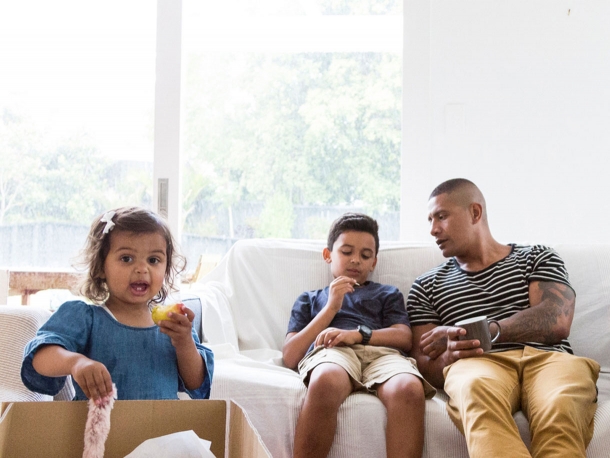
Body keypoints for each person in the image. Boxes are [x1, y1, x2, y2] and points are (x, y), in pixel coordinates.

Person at [406, 178, 600, 458]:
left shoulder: (536, 256)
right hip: (476, 365)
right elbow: (423, 363)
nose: (433, 229)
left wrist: (484, 330)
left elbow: (557, 319)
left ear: (475, 212)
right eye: (430, 220)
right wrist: (448, 355)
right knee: (475, 393)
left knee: (561, 405)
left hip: (549, 360)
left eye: (442, 216)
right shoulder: (426, 286)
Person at [21, 207, 214, 403]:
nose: (141, 269)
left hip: (163, 431)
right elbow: (39, 358)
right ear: (100, 267)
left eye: (153, 260)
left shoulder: (174, 326)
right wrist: (76, 363)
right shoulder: (86, 318)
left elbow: (196, 384)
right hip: (99, 430)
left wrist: (184, 344)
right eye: (126, 258)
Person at [283, 213, 435, 458]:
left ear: (374, 262)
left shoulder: (387, 293)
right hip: (333, 353)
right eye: (346, 252)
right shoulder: (309, 299)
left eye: (365, 255)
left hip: (382, 354)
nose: (356, 260)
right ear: (328, 255)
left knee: (408, 388)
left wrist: (358, 335)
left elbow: (403, 337)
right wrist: (331, 308)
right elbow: (290, 356)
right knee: (325, 380)